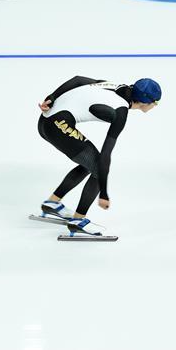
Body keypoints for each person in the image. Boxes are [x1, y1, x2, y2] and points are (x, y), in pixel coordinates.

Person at [37, 77, 161, 235]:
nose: (156, 105)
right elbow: (106, 155)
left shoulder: (115, 85)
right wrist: (103, 192)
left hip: (45, 120)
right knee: (97, 167)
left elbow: (77, 80)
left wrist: (51, 97)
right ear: (146, 101)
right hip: (55, 125)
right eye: (156, 102)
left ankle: (52, 203)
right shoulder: (121, 112)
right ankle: (78, 221)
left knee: (88, 161)